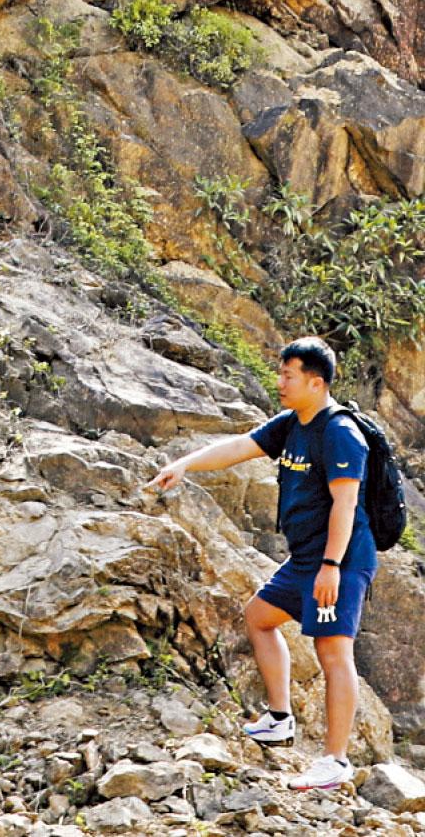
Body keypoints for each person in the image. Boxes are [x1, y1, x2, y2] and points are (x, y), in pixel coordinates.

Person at [146, 336, 377, 795]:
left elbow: (345, 505)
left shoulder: (339, 432)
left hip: (340, 557)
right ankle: (279, 718)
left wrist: (331, 566)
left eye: (289, 375)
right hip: (306, 557)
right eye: (281, 373)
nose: (280, 382)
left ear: (316, 382)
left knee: (333, 653)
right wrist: (185, 465)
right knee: (260, 616)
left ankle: (335, 761)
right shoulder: (292, 424)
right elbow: (240, 447)